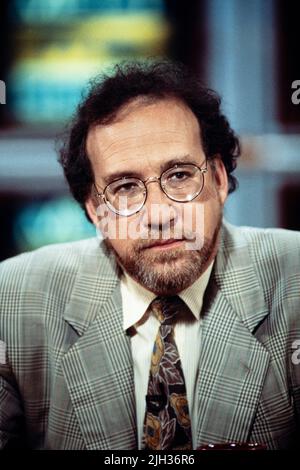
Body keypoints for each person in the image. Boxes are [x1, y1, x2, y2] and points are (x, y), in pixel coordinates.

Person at [0, 61, 300, 450]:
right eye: (125, 187)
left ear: (220, 180)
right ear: (95, 211)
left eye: (179, 175)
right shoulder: (12, 300)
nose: (159, 214)